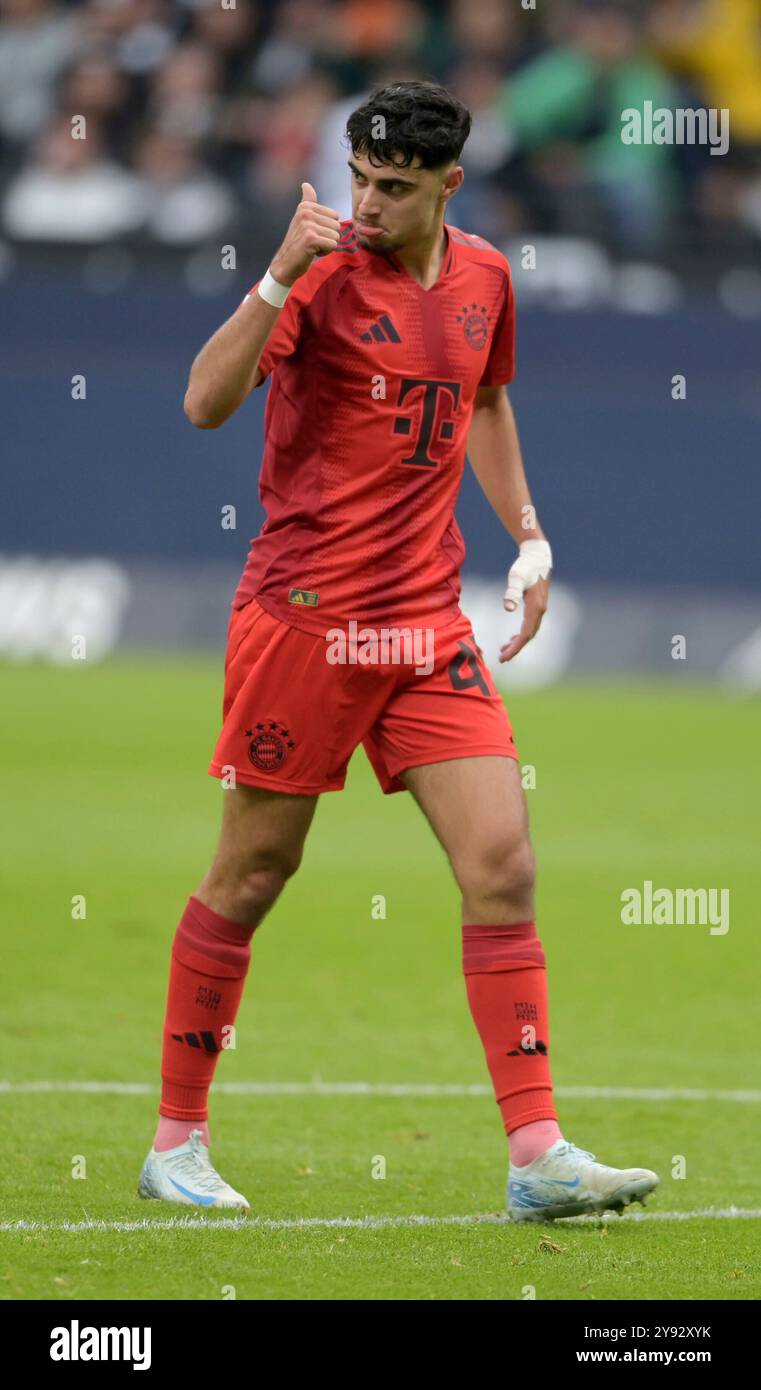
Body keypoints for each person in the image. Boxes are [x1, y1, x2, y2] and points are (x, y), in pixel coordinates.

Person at [138, 80, 659, 1222]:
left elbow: (484, 403)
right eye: (358, 179)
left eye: (394, 187)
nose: (366, 204)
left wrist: (525, 534)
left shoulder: (484, 277)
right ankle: (175, 1140)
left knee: (502, 866)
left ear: (447, 186)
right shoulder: (317, 273)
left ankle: (536, 1156)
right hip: (304, 619)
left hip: (423, 625)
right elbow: (201, 403)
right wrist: (275, 273)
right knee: (253, 873)